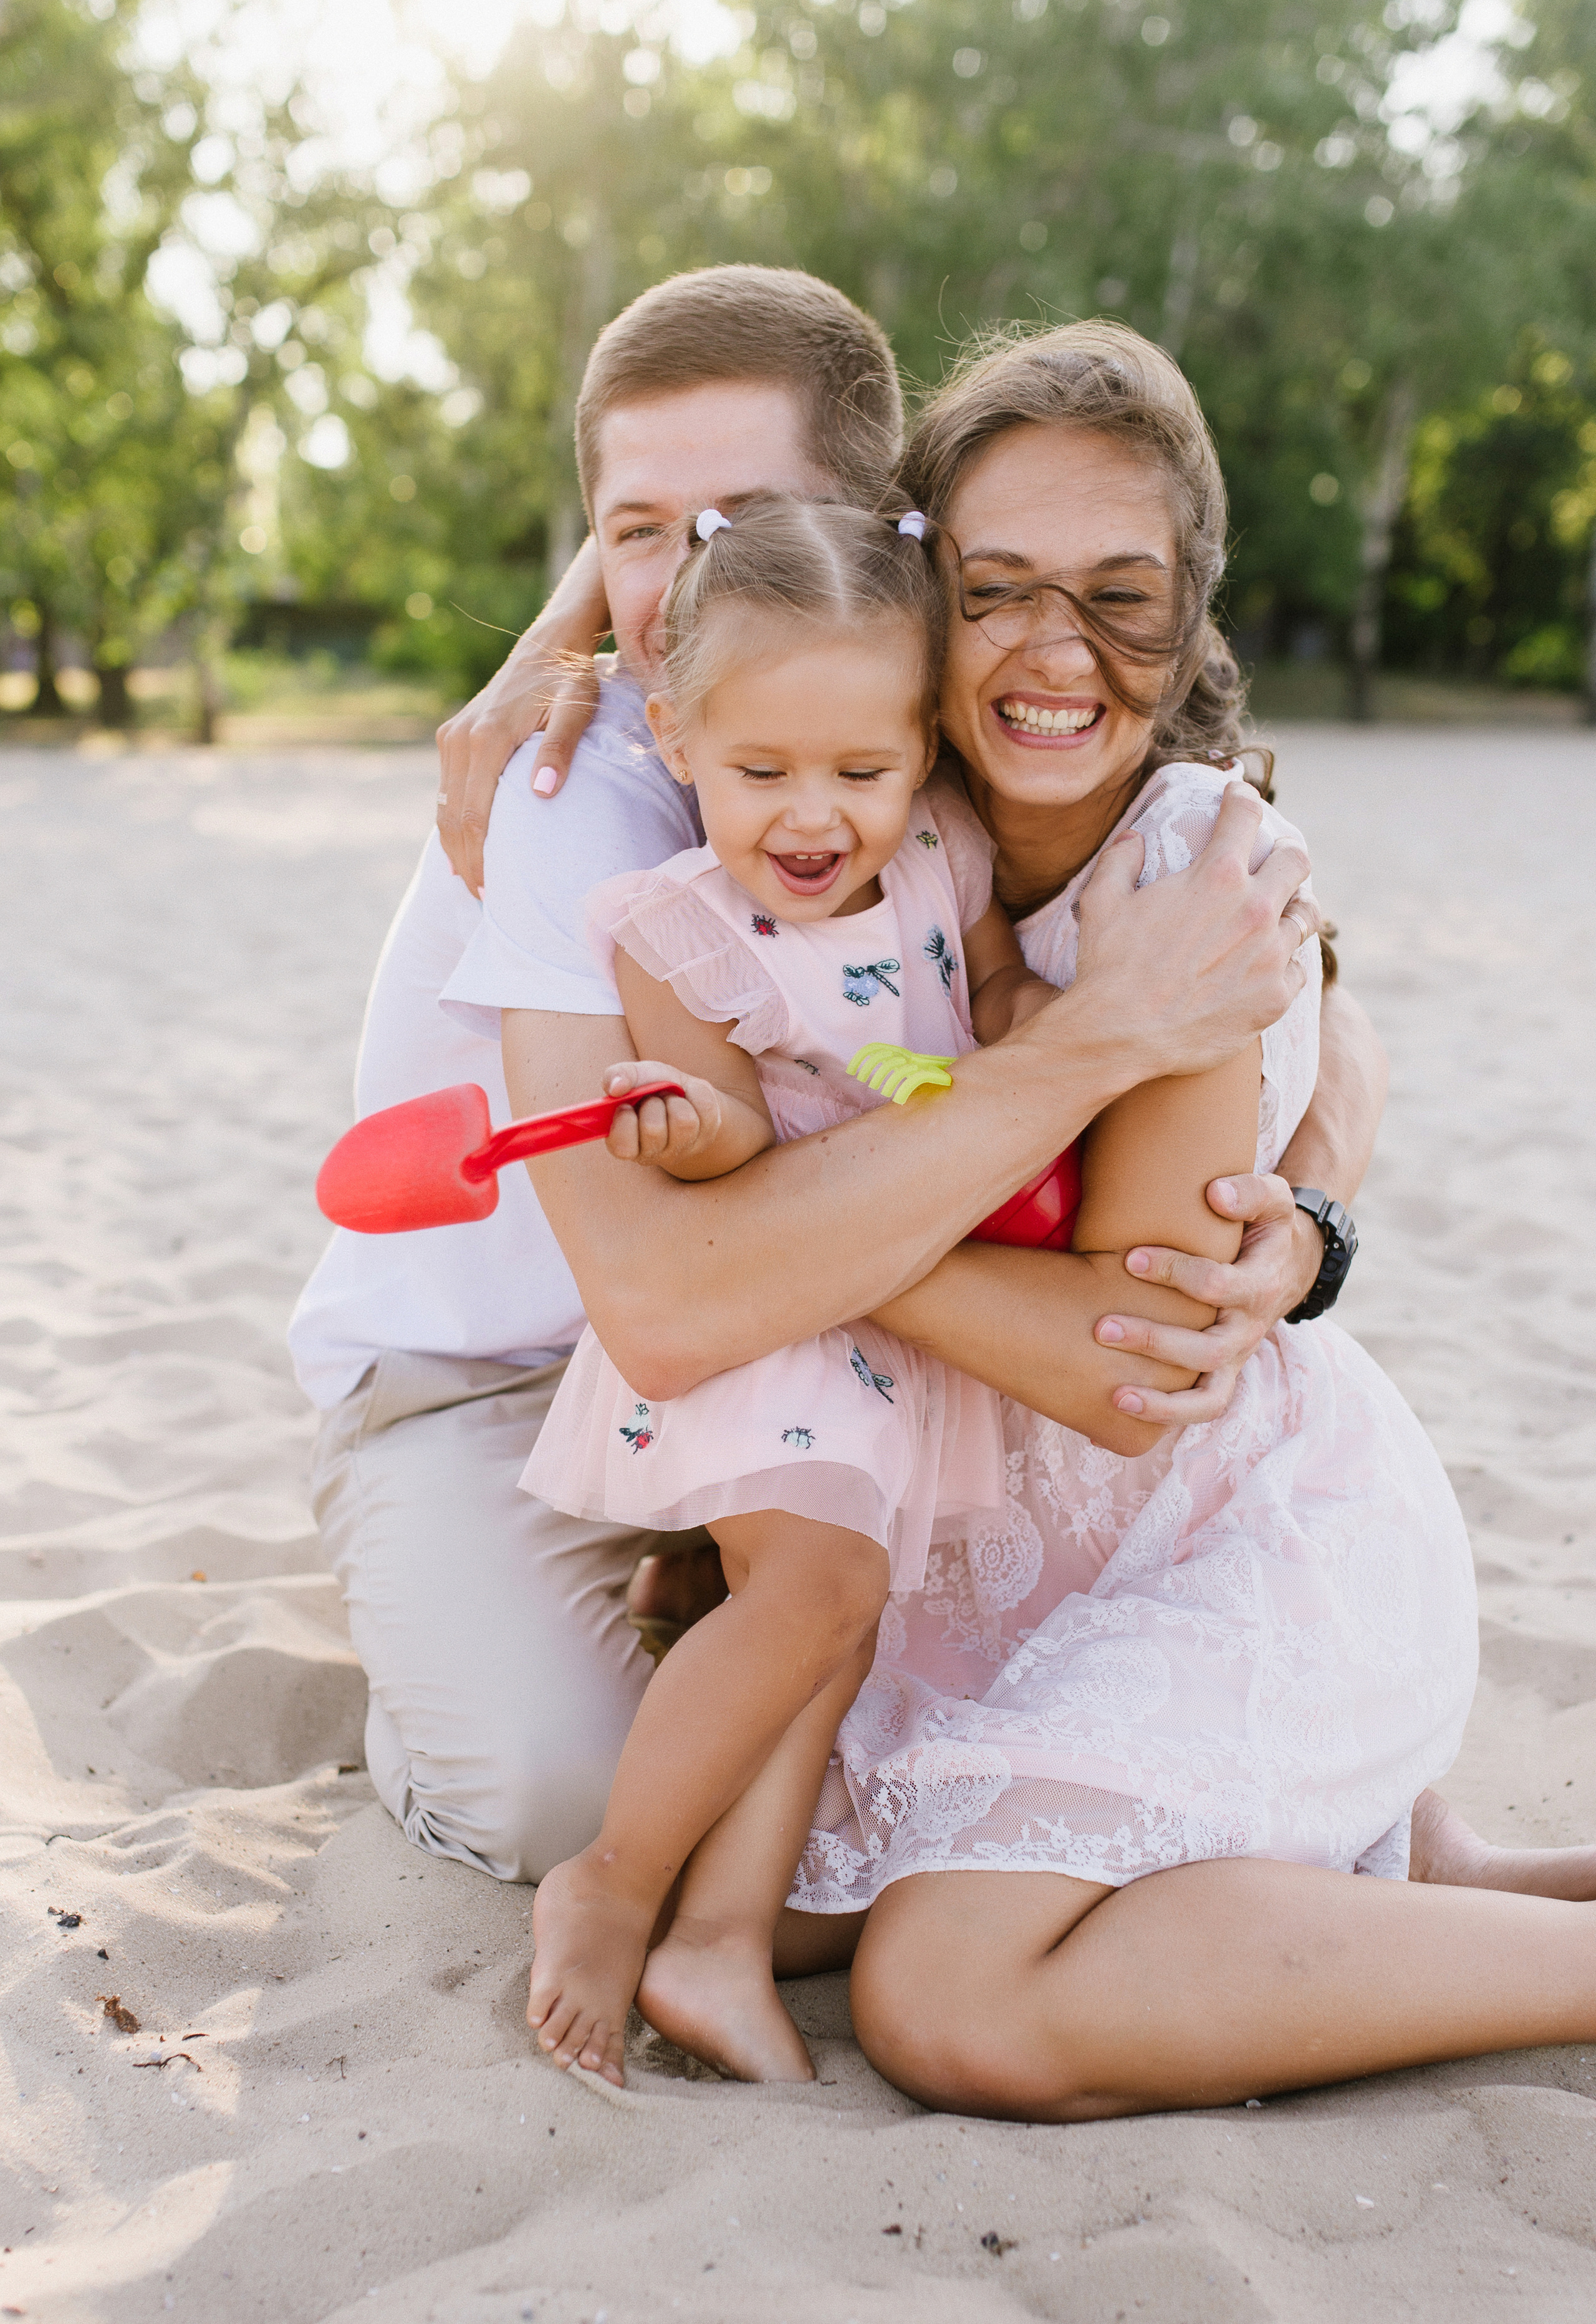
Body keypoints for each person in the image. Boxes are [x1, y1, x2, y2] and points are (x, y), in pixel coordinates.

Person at [516, 314, 1596, 2118]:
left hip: (1203, 1528)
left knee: (948, 1997)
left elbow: (1132, 1364)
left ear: (1195, 616)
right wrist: (540, 659)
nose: (1052, 651)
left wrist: (789, 1223)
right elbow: (696, 567)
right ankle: (1413, 1874)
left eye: (1120, 598)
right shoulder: (875, 796)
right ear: (916, 592)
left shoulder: (1189, 869)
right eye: (995, 588)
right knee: (761, 1882)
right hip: (962, 1537)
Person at [293, 266, 1375, 1890]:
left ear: (882, 540)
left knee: (907, 1788)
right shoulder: (576, 788)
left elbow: (1311, 1003)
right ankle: (443, 1654)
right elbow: (667, 1306)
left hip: (796, 1356)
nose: (682, 578)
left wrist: (1312, 1213)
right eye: (634, 533)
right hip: (492, 1381)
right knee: (570, 1804)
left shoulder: (912, 756)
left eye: (739, 523)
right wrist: (1096, 1038)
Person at [524, 491, 1074, 2083]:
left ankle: (717, 1939)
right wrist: (689, 1126)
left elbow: (992, 992)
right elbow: (732, 1131)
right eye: (760, 772)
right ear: (679, 739)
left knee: (837, 1627)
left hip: (899, 1322)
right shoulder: (675, 932)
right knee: (817, 1589)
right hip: (781, 1316)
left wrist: (1036, 1042)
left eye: (861, 771)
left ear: (921, 751)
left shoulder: (944, 854)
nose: (813, 815)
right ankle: (612, 1884)